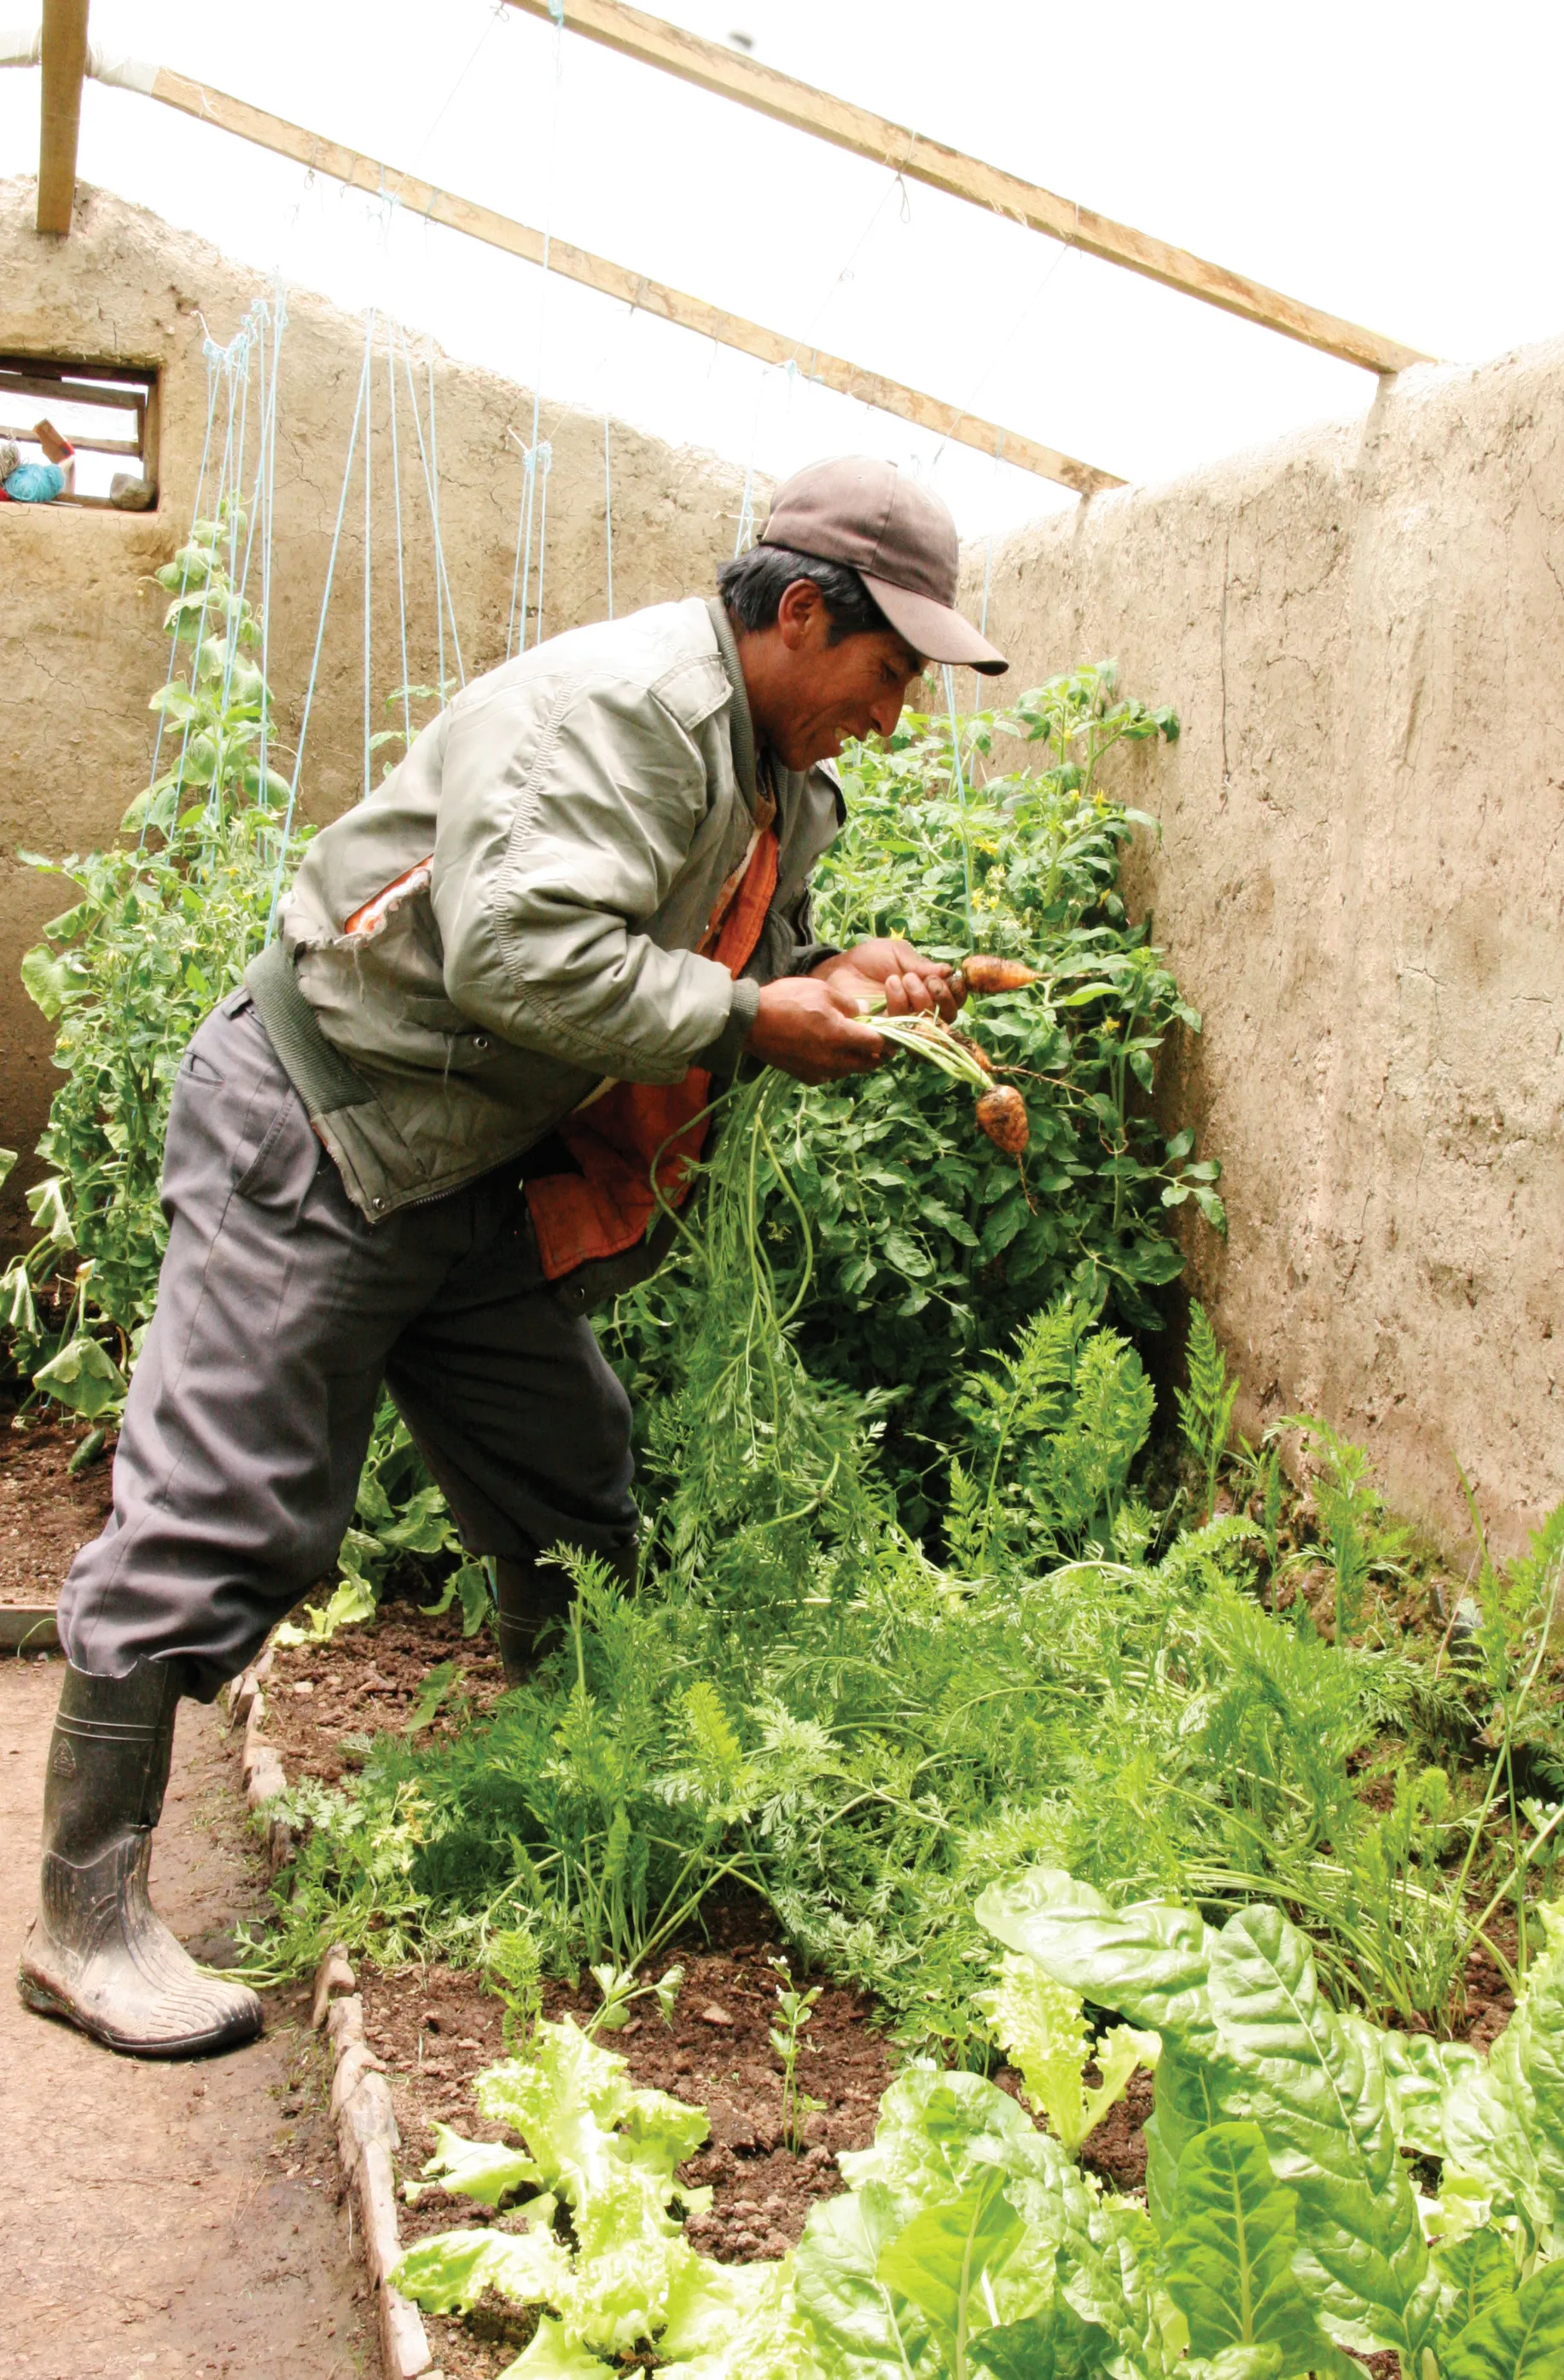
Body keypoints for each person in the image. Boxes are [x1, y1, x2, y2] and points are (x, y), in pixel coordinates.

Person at [20, 454, 1008, 2060]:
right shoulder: (624, 712)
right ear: (805, 613)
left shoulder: (770, 771)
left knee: (568, 1476)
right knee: (228, 1513)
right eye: (890, 673)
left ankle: (577, 1784)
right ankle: (86, 1920)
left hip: (464, 1152)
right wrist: (760, 1017)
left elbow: (704, 942)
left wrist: (843, 977)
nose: (897, 714)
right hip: (325, 1127)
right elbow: (521, 949)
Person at [1, 418, 75, 502]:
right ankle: (68, 458)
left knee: (54, 473)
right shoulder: (20, 487)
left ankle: (68, 458)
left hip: (18, 480)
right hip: (20, 482)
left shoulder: (20, 486)